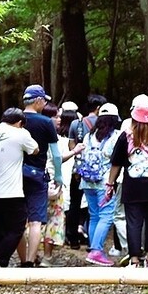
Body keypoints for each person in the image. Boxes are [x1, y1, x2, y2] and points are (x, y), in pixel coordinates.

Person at [107, 97, 148, 267]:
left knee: (133, 222)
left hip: (133, 185)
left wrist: (110, 183)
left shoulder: (127, 136)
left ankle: (135, 259)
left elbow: (116, 162)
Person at [0, 108, 39, 268]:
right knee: (17, 228)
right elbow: (35, 149)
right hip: (12, 192)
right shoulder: (20, 133)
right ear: (19, 123)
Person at [18, 84, 64, 266]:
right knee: (36, 220)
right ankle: (30, 261)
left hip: (16, 175)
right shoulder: (46, 122)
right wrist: (58, 176)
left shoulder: (15, 120)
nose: (45, 104)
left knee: (20, 220)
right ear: (37, 101)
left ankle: (22, 259)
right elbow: (56, 154)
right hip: (37, 175)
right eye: (44, 100)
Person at [41, 102, 84, 267]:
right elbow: (56, 159)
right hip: (52, 182)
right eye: (55, 116)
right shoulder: (54, 139)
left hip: (36, 181)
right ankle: (47, 256)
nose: (59, 119)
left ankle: (32, 255)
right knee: (53, 219)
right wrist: (74, 151)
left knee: (35, 219)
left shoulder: (33, 134)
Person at [79, 103, 122, 266]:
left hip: (87, 181)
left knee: (94, 215)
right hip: (104, 182)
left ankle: (93, 249)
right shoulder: (115, 137)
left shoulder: (89, 136)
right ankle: (97, 251)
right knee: (106, 215)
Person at [67, 94, 107, 249]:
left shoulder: (75, 124)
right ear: (98, 108)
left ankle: (73, 239)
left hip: (79, 170)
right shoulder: (104, 124)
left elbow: (72, 147)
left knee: (74, 204)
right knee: (95, 207)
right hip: (99, 171)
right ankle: (93, 241)